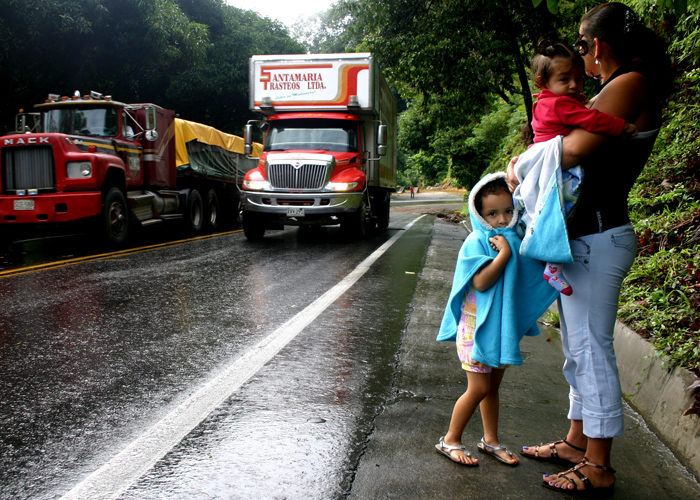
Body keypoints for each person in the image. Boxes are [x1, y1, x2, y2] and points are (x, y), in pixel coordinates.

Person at [508, 3, 673, 494]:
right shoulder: (613, 87)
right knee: (576, 348)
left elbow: (575, 148)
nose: (580, 64)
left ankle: (598, 465)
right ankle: (576, 441)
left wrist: (523, 160)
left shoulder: (629, 83)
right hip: (585, 237)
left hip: (600, 236)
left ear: (595, 45)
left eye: (580, 48)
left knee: (589, 348)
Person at [434, 173, 558, 467]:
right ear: (479, 214)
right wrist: (503, 255)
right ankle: (450, 440)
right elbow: (481, 282)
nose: (502, 219)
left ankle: (491, 441)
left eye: (508, 211)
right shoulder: (476, 241)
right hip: (475, 330)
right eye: (492, 213)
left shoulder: (515, 238)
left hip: (500, 329)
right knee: (478, 388)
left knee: (491, 389)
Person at [523, 39, 637, 296]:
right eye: (565, 80)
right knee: (562, 213)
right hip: (559, 171)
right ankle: (552, 265)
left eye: (579, 78)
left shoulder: (549, 101)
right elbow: (591, 119)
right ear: (543, 82)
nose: (574, 85)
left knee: (553, 214)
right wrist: (621, 126)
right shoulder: (558, 104)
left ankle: (547, 260)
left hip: (549, 166)